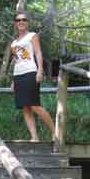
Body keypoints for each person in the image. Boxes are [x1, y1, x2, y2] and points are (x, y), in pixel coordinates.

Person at [10, 12, 55, 141]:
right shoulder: (13, 43)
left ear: (27, 22)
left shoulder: (32, 36)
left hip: (30, 72)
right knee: (25, 107)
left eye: (24, 19)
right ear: (15, 23)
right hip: (18, 75)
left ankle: (55, 132)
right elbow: (17, 60)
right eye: (18, 20)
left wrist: (40, 70)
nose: (21, 22)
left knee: (34, 105)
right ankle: (34, 137)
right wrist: (13, 80)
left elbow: (38, 52)